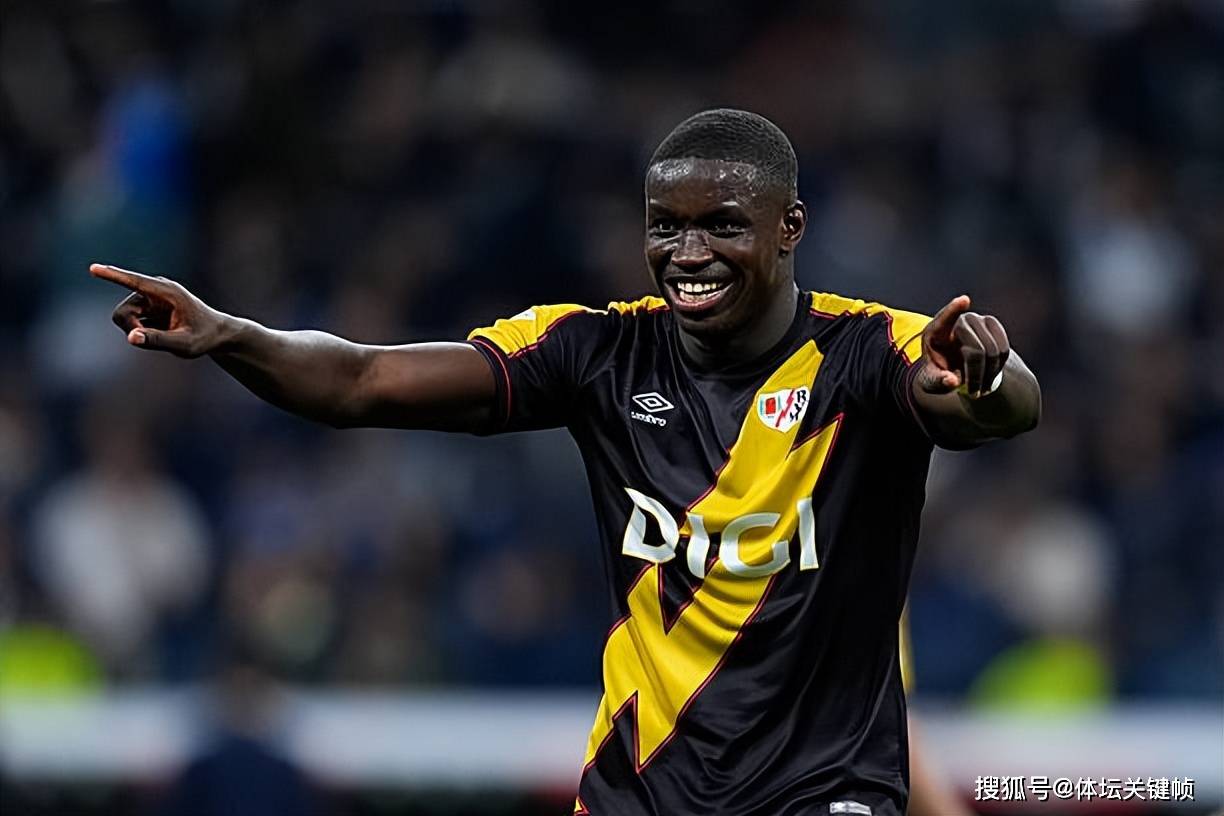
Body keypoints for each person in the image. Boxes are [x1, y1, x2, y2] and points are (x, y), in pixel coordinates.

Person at [92, 108, 1039, 816]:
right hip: (642, 788)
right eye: (665, 225)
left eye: (721, 225)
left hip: (821, 789)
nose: (688, 252)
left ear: (790, 226)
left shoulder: (868, 350)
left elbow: (987, 407)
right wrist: (231, 335)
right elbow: (362, 380)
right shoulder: (594, 353)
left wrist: (988, 379)